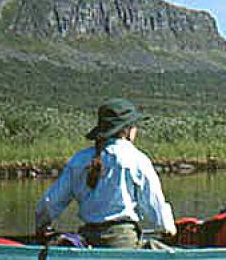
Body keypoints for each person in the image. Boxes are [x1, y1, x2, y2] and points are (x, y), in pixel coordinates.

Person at [35, 98, 176, 248]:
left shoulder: (79, 160)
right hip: (123, 241)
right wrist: (169, 229)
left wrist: (41, 226)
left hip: (87, 239)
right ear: (126, 130)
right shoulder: (137, 159)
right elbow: (154, 204)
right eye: (134, 126)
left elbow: (50, 202)